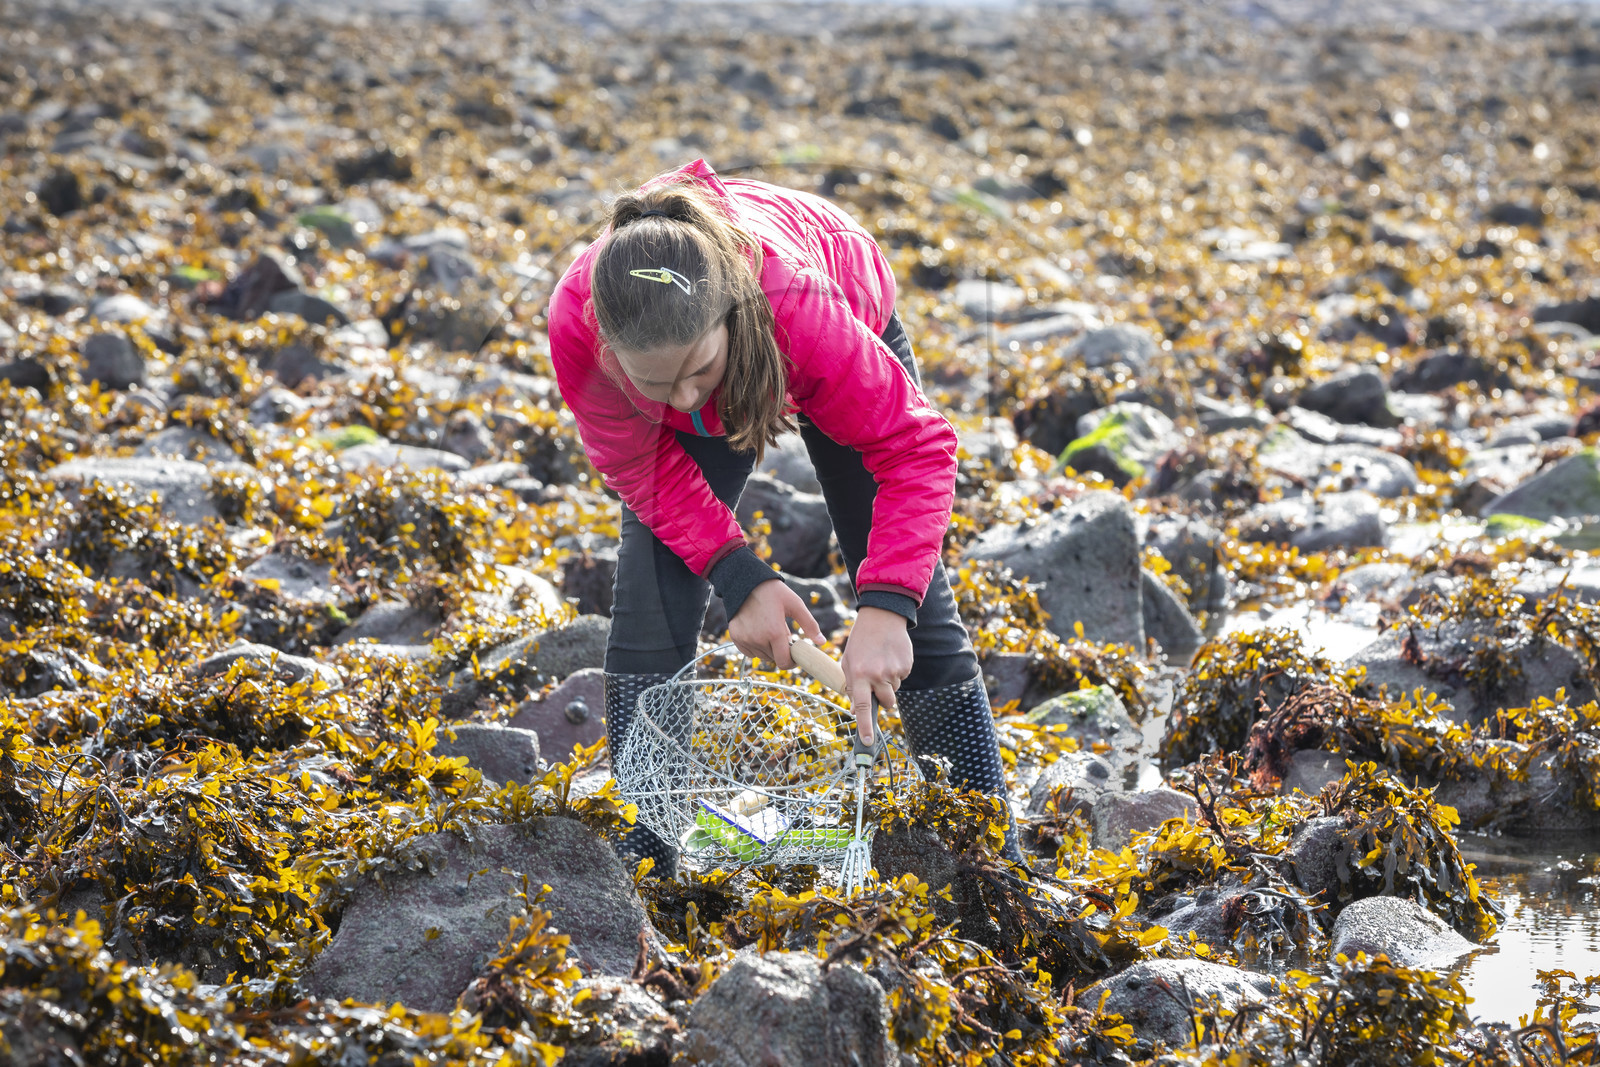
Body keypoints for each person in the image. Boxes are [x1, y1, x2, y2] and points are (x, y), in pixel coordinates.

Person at [548, 158, 1020, 875]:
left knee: (914, 612)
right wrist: (738, 576)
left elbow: (915, 448)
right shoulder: (577, 328)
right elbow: (640, 468)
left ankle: (989, 857)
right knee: (650, 603)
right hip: (712, 338)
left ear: (731, 317)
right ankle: (647, 859)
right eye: (656, 383)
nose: (685, 401)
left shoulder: (797, 307)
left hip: (830, 299)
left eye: (699, 372)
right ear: (610, 351)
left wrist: (886, 608)